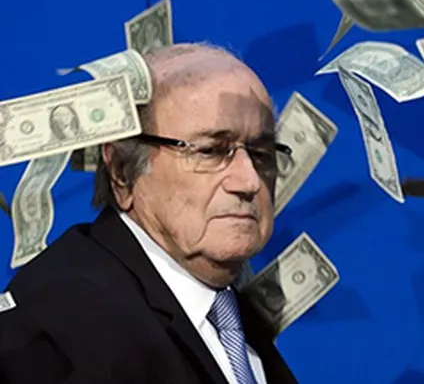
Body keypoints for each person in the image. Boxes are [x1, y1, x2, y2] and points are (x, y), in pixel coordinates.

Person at [0, 43, 298, 384]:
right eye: (211, 151)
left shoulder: (235, 318)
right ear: (123, 172)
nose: (249, 181)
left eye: (261, 153)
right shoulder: (64, 323)